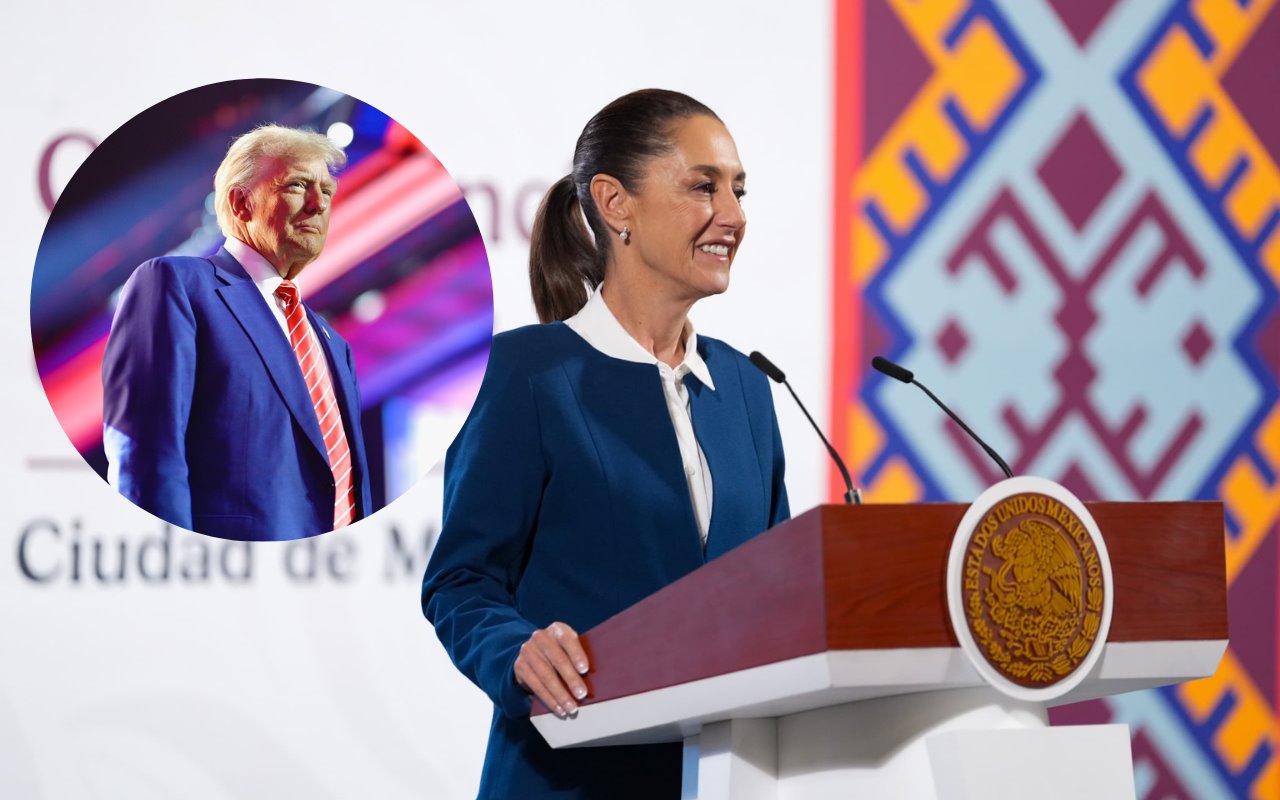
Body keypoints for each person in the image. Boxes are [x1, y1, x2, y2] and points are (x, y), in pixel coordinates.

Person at [421, 90, 789, 799]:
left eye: (738, 190)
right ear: (615, 204)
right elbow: (461, 582)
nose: (735, 215)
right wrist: (516, 652)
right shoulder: (525, 375)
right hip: (567, 779)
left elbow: (777, 588)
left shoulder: (748, 388)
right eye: (702, 187)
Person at [101, 124, 371, 541]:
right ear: (241, 203)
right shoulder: (178, 285)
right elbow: (146, 454)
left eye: (328, 191)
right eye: (298, 185)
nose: (319, 205)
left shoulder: (334, 345)